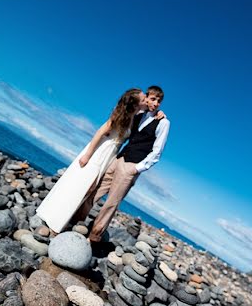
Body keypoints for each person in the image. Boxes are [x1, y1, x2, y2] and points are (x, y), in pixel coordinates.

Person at [35, 88, 148, 234]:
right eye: (143, 98)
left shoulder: (136, 116)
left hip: (111, 155)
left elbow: (150, 111)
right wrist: (88, 154)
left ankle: (64, 218)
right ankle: (53, 217)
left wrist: (158, 113)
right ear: (135, 103)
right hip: (100, 151)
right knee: (81, 183)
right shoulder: (122, 115)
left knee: (88, 188)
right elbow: (100, 132)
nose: (146, 99)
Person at [78, 85, 170, 243]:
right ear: (146, 98)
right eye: (153, 99)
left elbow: (157, 153)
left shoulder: (163, 123)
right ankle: (77, 221)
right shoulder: (139, 114)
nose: (156, 103)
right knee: (96, 190)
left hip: (131, 166)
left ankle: (94, 237)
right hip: (119, 158)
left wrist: (137, 168)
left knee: (111, 203)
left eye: (159, 101)